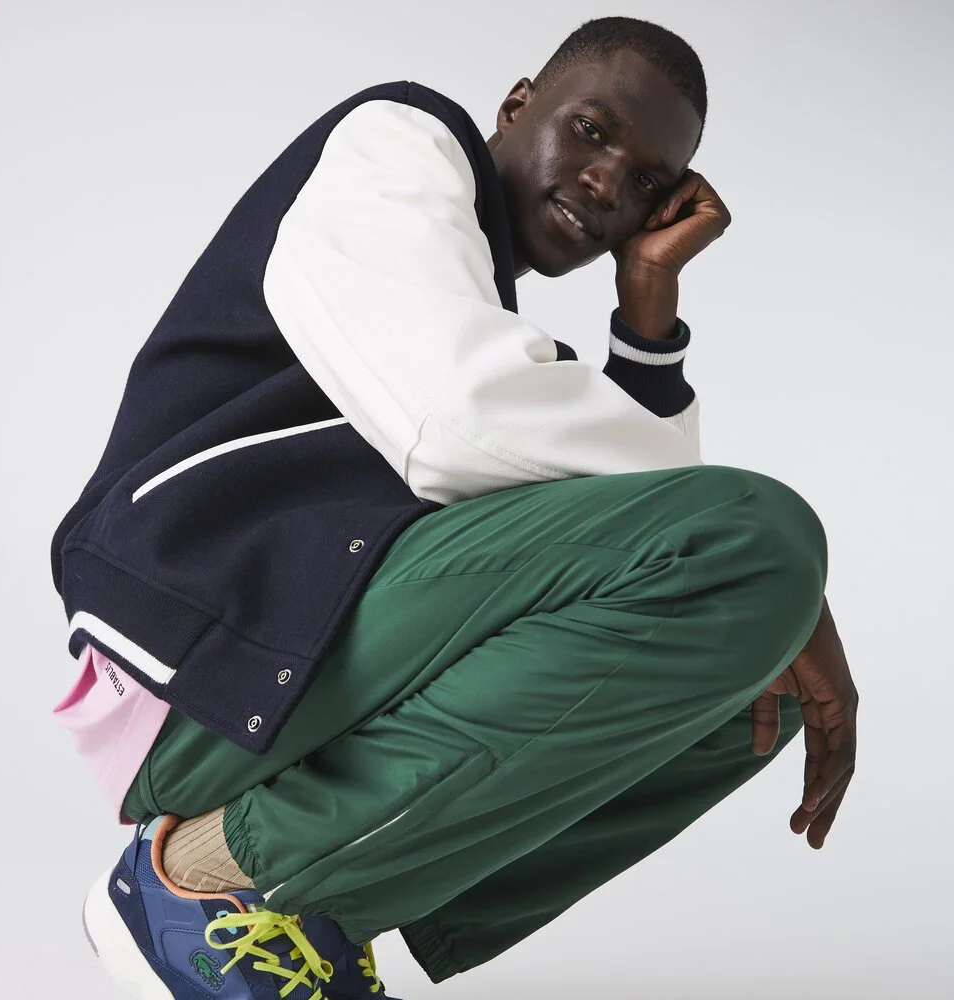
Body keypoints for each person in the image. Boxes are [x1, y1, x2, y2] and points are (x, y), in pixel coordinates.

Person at [51, 15, 858, 1000]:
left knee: (744, 678)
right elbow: (456, 417)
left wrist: (647, 309)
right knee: (755, 553)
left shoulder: (469, 297)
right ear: (518, 104)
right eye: (592, 131)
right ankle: (202, 883)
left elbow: (647, 519)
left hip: (296, 648)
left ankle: (309, 914)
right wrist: (789, 584)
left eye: (647, 181)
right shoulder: (395, 143)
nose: (610, 184)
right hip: (199, 652)